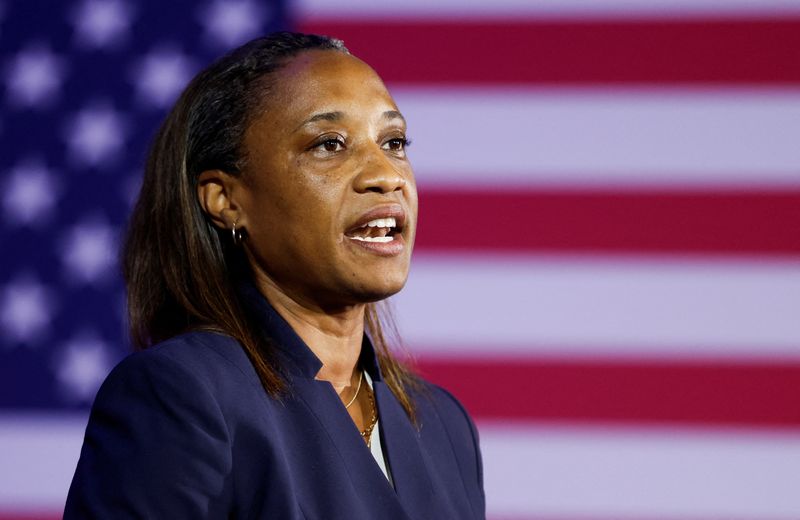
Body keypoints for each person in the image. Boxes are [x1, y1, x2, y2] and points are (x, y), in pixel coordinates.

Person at [63, 32, 485, 519]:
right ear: (227, 201)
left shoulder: (443, 425)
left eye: (394, 142)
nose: (385, 174)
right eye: (330, 144)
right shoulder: (182, 395)